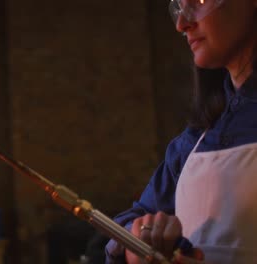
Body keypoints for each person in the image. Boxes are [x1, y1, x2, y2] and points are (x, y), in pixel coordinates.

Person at [105, 0, 257, 263]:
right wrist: (139, 242)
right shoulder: (195, 140)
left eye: (198, 1)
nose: (181, 24)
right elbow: (129, 224)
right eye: (178, 6)